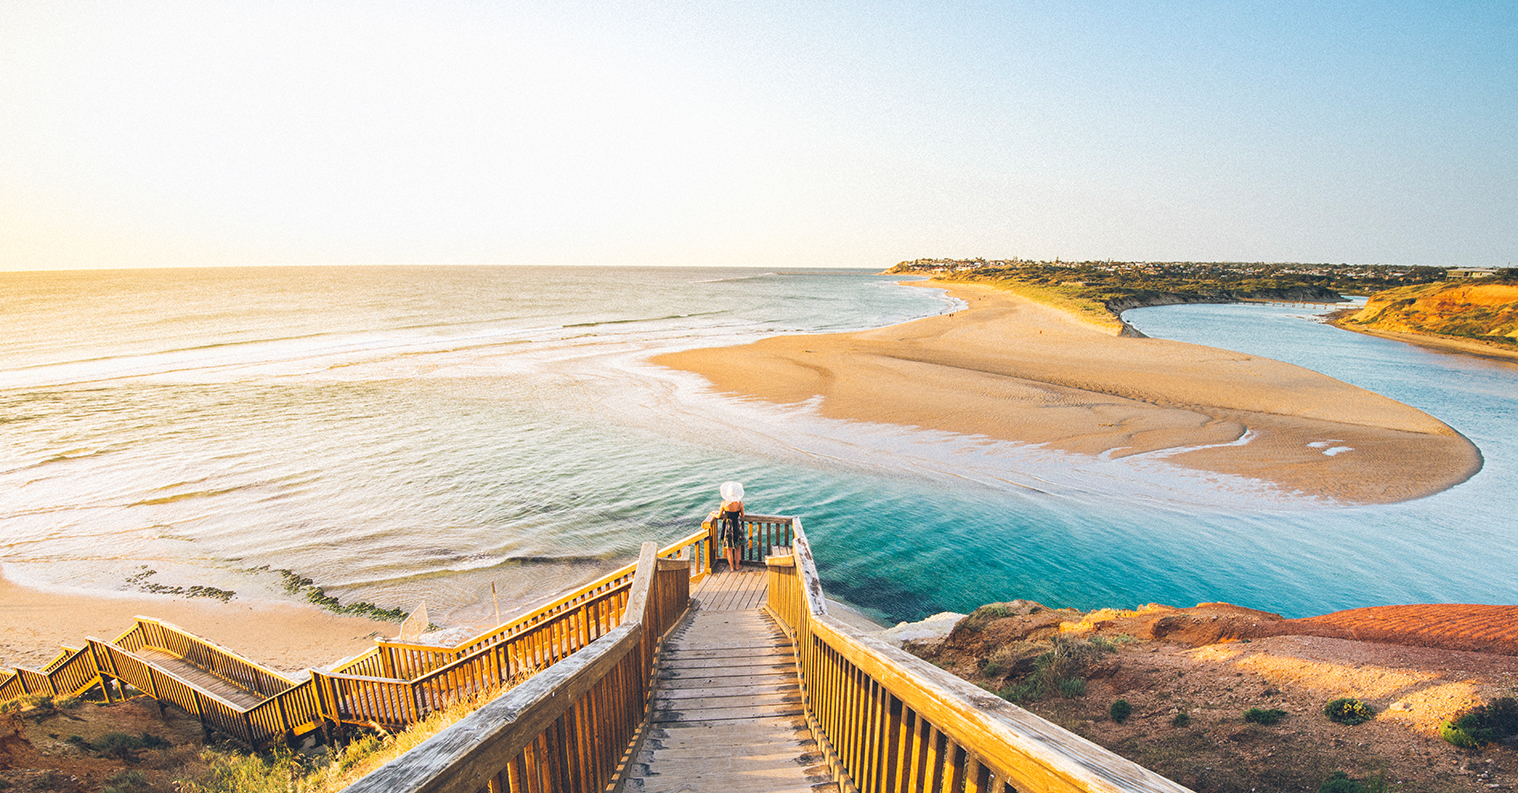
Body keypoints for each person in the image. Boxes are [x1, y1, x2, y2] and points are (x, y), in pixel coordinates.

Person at [716, 481, 745, 573]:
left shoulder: (724, 503)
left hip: (728, 526)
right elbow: (743, 515)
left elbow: (718, 515)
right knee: (738, 547)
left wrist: (712, 514)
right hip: (737, 525)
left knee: (729, 548)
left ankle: (731, 567)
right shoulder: (740, 503)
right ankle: (737, 565)